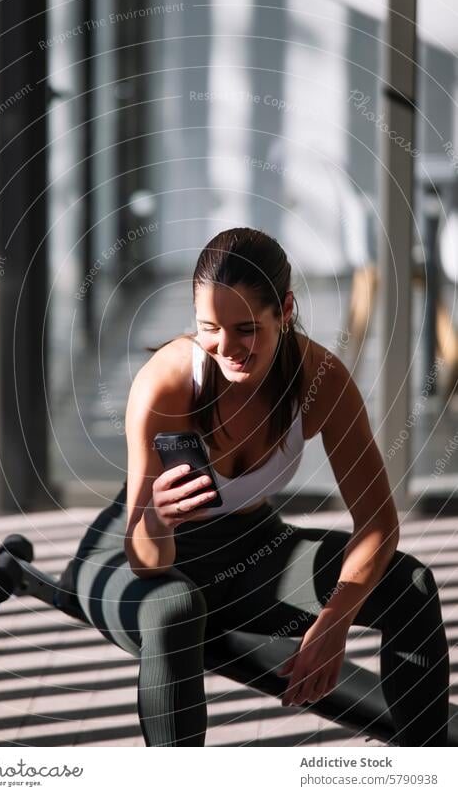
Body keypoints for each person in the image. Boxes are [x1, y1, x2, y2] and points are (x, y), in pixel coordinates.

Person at [70, 227, 450, 747]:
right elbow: (146, 561)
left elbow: (378, 523)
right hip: (133, 555)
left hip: (250, 550)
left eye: (245, 328)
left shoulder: (322, 382)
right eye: (209, 327)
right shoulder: (169, 383)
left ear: (285, 309)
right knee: (176, 609)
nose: (227, 347)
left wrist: (336, 620)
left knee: (411, 587)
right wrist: (158, 518)